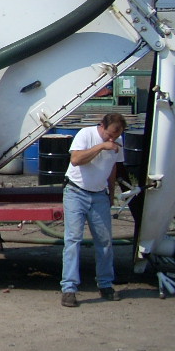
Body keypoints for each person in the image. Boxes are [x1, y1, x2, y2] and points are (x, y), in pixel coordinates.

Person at [60, 113, 127, 307]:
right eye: (110, 134)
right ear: (102, 126)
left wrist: (111, 193)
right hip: (76, 191)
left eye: (117, 136)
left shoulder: (117, 142)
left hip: (99, 195)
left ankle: (105, 284)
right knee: (73, 239)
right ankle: (69, 289)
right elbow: (76, 159)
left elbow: (112, 168)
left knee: (105, 241)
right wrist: (101, 146)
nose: (112, 139)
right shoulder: (85, 134)